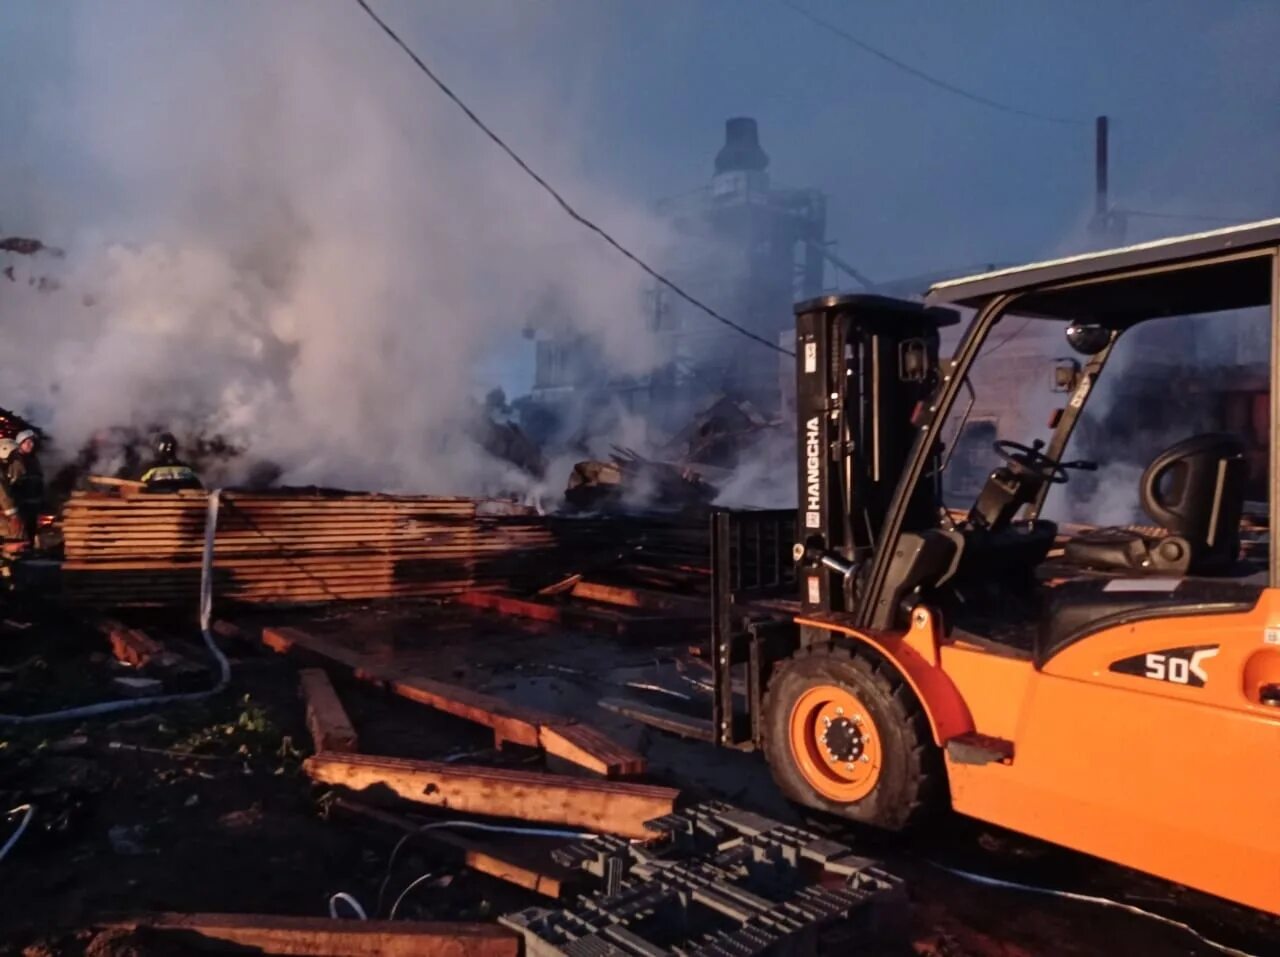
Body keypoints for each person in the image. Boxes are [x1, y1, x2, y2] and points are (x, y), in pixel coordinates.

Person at [7, 430, 43, 543]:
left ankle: (29, 550)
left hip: (33, 502)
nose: (30, 445)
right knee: (20, 530)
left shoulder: (34, 460)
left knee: (31, 529)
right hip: (20, 503)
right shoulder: (15, 460)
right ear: (19, 444)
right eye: (26, 442)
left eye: (31, 442)